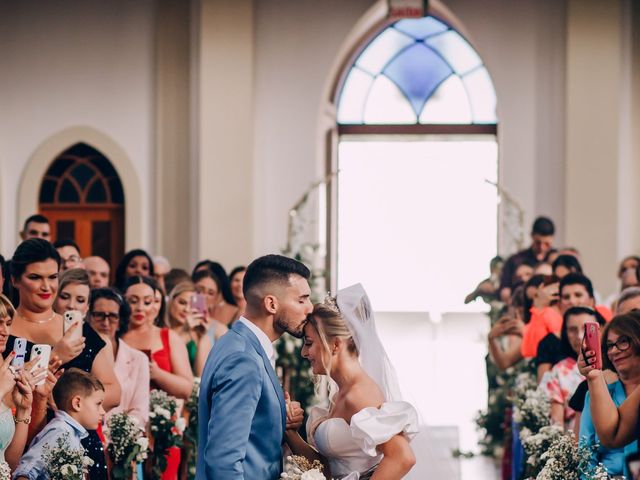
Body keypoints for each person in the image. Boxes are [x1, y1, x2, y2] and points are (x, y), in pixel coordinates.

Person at [5, 239, 119, 479]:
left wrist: (71, 403)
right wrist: (56, 355)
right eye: (35, 277)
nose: (46, 286)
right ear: (14, 280)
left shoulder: (79, 330)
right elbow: (3, 396)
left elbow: (113, 391)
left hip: (78, 448)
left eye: (53, 277)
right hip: (19, 450)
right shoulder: (4, 331)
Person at [196, 254, 313, 479]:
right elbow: (224, 461)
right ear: (271, 303)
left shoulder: (236, 343)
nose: (310, 308)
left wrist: (281, 417)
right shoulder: (243, 359)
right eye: (302, 300)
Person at [285, 284, 418, 479]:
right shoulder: (342, 393)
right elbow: (327, 467)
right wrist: (290, 432)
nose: (304, 353)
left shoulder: (360, 394)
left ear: (336, 344)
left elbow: (402, 457)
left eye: (309, 343)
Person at [121, 276, 192, 480]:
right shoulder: (116, 336)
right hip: (125, 426)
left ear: (156, 304)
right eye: (133, 301)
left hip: (162, 429)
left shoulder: (168, 336)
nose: (140, 307)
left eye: (147, 301)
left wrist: (156, 373)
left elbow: (186, 388)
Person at [577, 313, 640, 478]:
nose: (614, 351)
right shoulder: (596, 395)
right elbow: (610, 437)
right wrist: (594, 375)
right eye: (609, 345)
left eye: (623, 342)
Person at [13, 369, 106, 480]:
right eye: (98, 404)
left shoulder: (71, 434)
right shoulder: (59, 432)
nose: (103, 411)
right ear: (77, 403)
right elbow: (26, 471)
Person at [88, 288, 149, 428]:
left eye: (113, 316)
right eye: (99, 315)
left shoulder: (139, 359)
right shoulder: (79, 353)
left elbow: (140, 411)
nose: (106, 322)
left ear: (121, 320)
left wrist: (119, 435)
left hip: (123, 438)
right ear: (89, 316)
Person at [539, 307, 604, 430]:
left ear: (600, 330)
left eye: (586, 329)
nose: (579, 336)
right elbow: (556, 426)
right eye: (572, 330)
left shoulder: (616, 362)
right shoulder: (557, 372)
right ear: (565, 333)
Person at [536, 273, 610, 381]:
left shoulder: (610, 334)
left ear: (592, 300)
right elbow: (543, 390)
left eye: (578, 295)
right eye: (566, 297)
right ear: (559, 304)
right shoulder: (548, 343)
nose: (572, 301)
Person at [499, 216, 555, 302]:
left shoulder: (556, 259)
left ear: (552, 239)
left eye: (546, 244)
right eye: (538, 242)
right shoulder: (515, 260)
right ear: (532, 235)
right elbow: (504, 291)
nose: (542, 247)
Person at [166, 281, 211, 376]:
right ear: (171, 301)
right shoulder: (160, 330)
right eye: (182, 303)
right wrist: (184, 332)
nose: (186, 309)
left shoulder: (200, 335)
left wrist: (202, 337)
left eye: (191, 306)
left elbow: (201, 375)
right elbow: (167, 364)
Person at [193, 269, 228, 341]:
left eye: (210, 293)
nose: (204, 296)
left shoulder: (221, 330)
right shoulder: (177, 320)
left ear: (216, 299)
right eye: (199, 290)